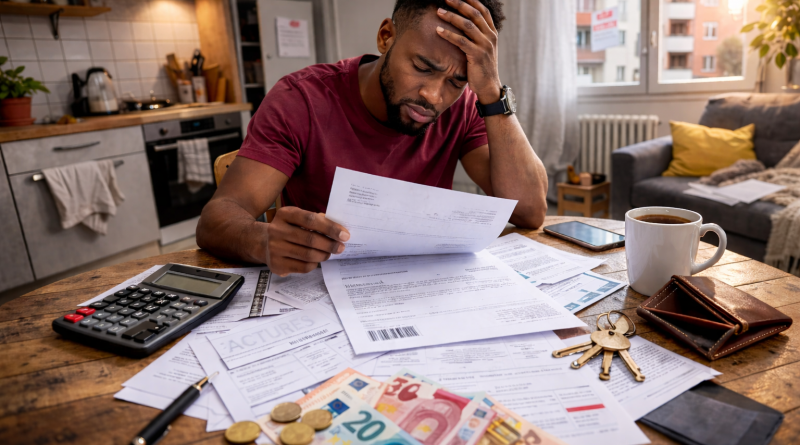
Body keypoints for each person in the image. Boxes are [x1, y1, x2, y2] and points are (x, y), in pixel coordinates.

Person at [197, 0, 548, 276]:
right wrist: (261, 240)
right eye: (423, 67)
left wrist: (490, 91)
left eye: (457, 81)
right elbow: (218, 218)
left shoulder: (467, 105)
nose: (434, 96)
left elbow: (531, 211)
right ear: (386, 37)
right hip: (322, 288)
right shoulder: (300, 99)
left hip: (422, 287)